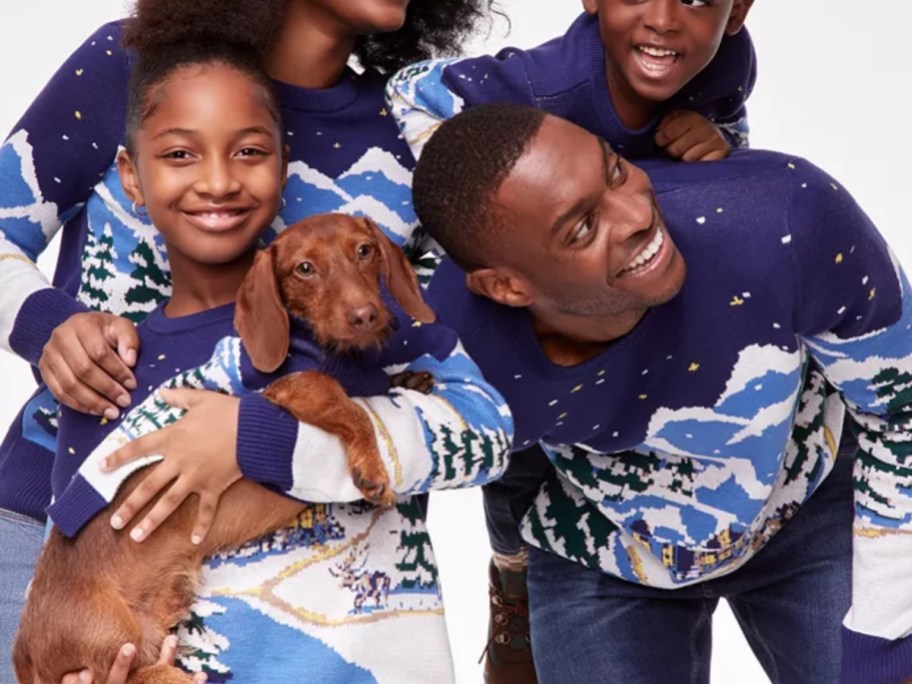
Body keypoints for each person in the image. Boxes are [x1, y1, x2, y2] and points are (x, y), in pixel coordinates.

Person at [0, 0, 494, 673]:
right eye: (179, 154)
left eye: (253, 152)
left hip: (313, 590)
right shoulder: (130, 68)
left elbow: (452, 378)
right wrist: (45, 323)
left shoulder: (415, 131)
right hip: (66, 553)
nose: (219, 179)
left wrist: (255, 438)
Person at [415, 103, 912, 684]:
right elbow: (393, 467)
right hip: (602, 543)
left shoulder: (786, 214)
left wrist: (883, 644)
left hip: (810, 497)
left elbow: (901, 411)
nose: (634, 216)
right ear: (506, 287)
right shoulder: (456, 354)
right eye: (582, 228)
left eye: (616, 170)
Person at [386, 1, 755, 679]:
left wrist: (719, 140)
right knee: (516, 450)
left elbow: (730, 183)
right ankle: (514, 574)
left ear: (740, 11)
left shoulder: (726, 59)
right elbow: (411, 92)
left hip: (629, 298)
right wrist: (492, 217)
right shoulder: (549, 82)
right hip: (517, 295)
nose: (668, 20)